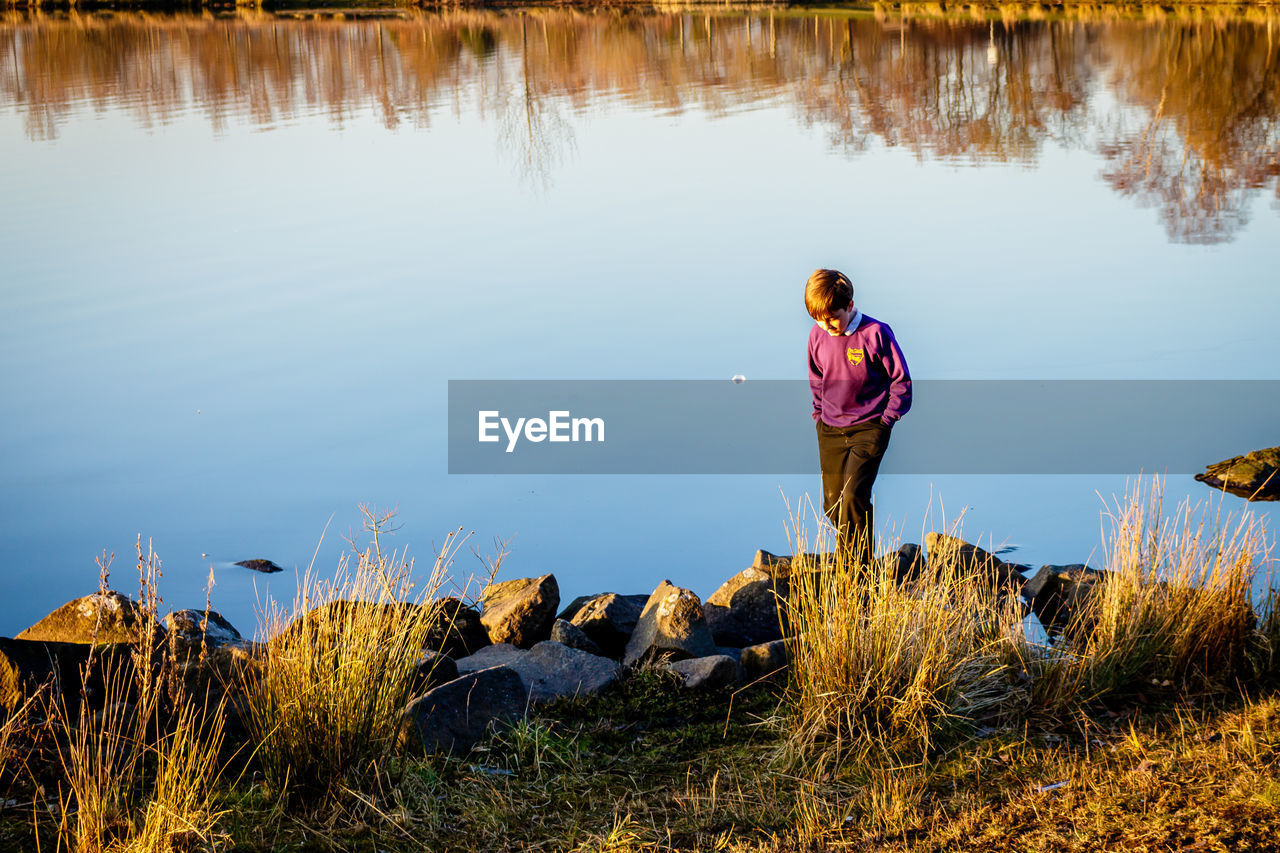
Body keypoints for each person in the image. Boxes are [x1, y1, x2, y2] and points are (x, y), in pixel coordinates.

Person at [805, 268, 912, 561]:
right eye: (818, 320)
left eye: (832, 318)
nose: (826, 326)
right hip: (829, 428)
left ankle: (855, 574)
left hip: (869, 428)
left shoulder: (876, 334)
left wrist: (886, 420)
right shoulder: (818, 335)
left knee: (853, 497)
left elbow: (901, 381)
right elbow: (817, 377)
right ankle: (857, 560)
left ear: (849, 306)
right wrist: (818, 413)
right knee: (833, 505)